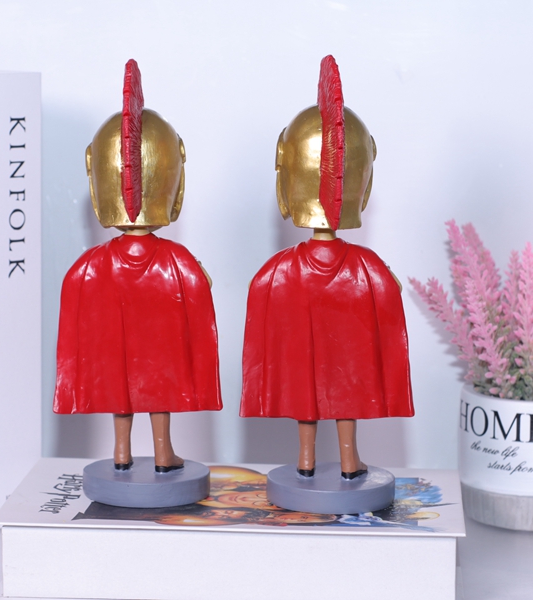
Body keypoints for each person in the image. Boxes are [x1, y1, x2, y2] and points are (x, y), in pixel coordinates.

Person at [240, 56, 414, 480]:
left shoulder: (277, 271)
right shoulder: (368, 269)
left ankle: (306, 460)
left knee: (306, 390)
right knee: (346, 389)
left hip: (304, 332)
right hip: (349, 344)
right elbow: (390, 300)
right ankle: (349, 461)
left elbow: (260, 300)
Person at [54, 60, 222, 472]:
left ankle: (121, 452)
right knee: (158, 386)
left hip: (119, 342)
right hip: (160, 344)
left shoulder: (89, 266)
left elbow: (75, 301)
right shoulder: (177, 262)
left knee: (120, 385)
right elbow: (199, 292)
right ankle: (163, 453)